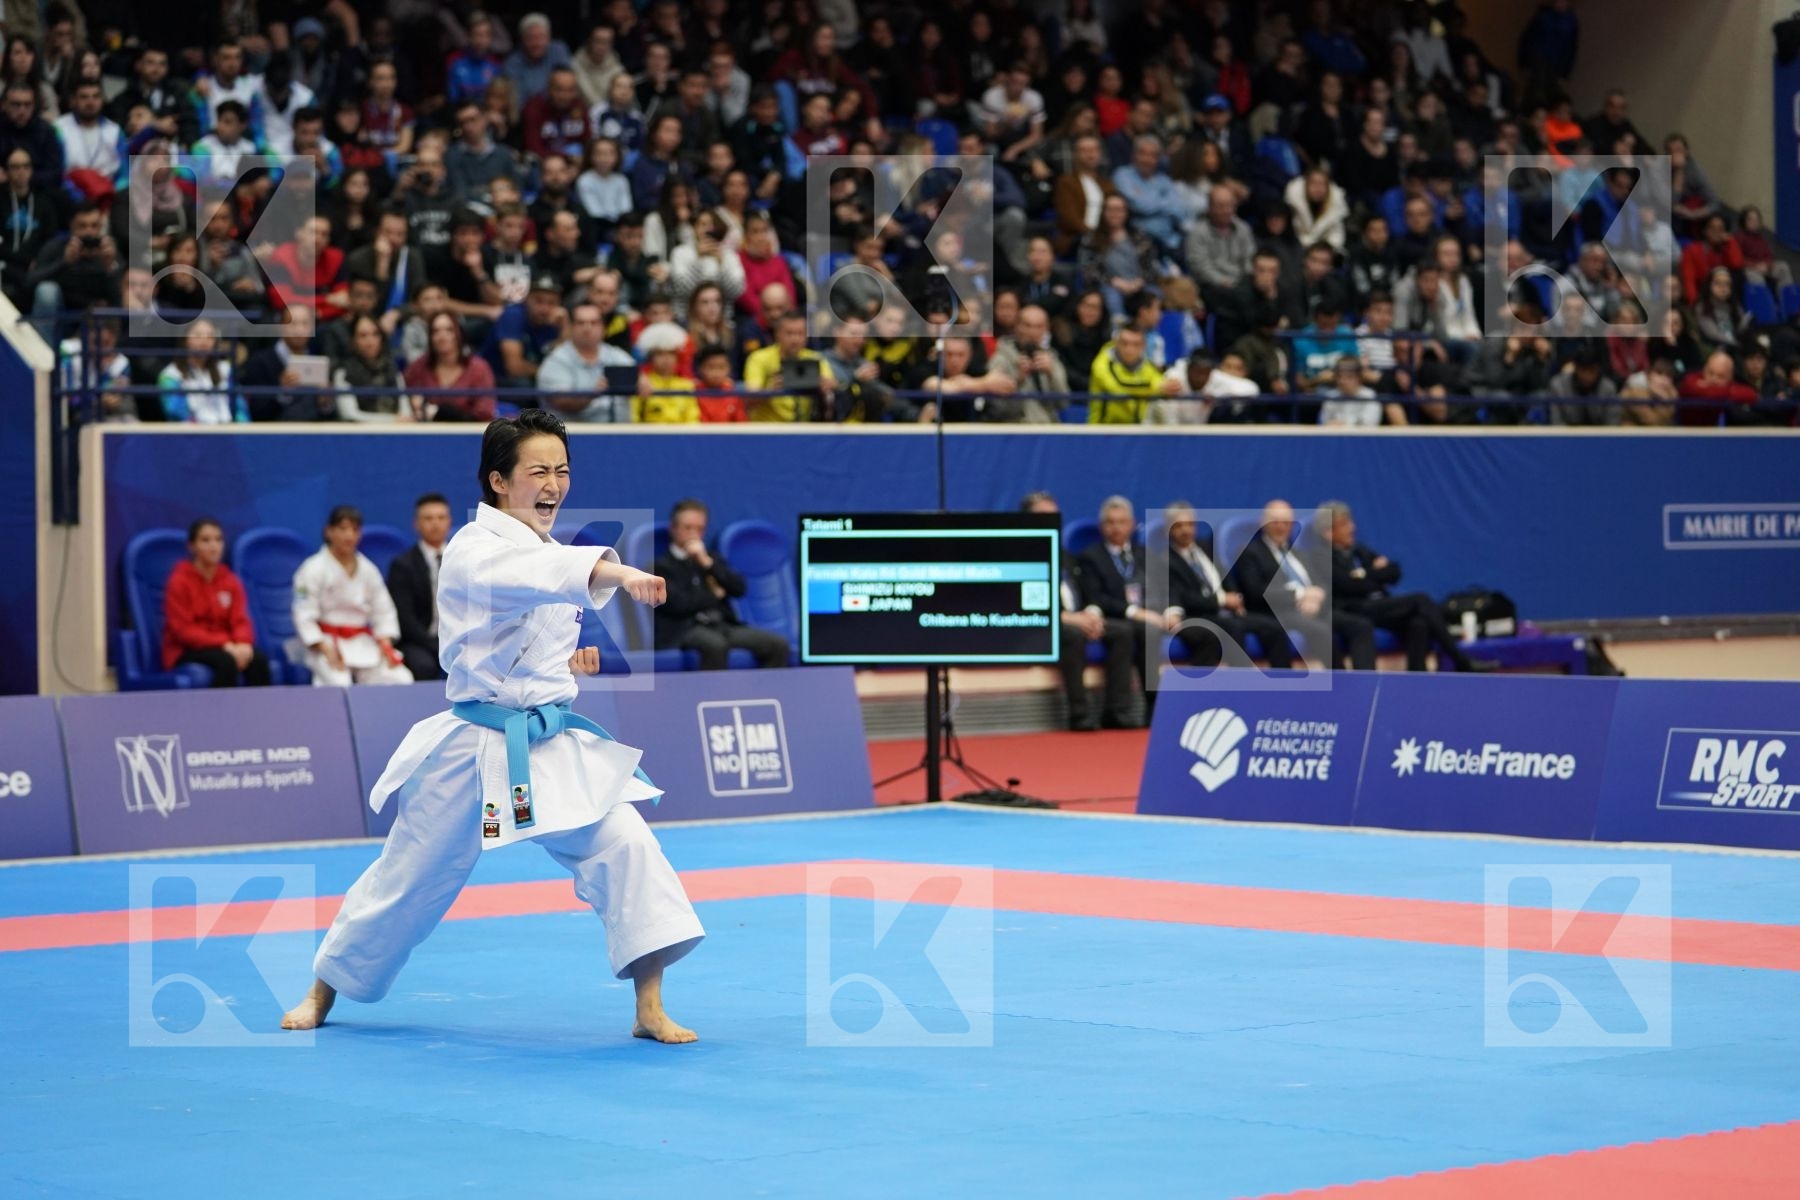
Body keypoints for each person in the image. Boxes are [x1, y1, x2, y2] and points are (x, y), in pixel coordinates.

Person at [282, 411, 704, 1042]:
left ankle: (649, 1008)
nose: (554, 483)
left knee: (628, 846)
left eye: (562, 471)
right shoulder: (471, 551)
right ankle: (322, 991)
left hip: (550, 741)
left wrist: (569, 664)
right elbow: (524, 583)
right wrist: (619, 572)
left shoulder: (555, 553)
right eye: (539, 471)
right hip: (474, 745)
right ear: (499, 481)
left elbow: (530, 643)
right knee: (407, 880)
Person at [1317, 501, 1497, 673]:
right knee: (1420, 600)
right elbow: (1348, 586)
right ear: (1329, 532)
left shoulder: (1358, 550)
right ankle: (1460, 660)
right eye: (1345, 524)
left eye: (1351, 521)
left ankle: (1416, 679)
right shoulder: (1322, 555)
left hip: (1379, 604)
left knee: (1418, 623)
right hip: (1355, 609)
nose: (1352, 528)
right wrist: (1373, 575)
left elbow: (1394, 572)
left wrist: (1365, 575)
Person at [1022, 491, 1132, 732]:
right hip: (1042, 624)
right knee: (1072, 634)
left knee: (1122, 631)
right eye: (1043, 516)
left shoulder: (1066, 556)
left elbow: (1088, 593)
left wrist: (1091, 614)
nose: (1051, 521)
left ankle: (1117, 712)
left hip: (1077, 618)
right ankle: (1079, 715)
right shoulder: (1021, 558)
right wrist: (1071, 618)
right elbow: (1026, 605)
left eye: (1054, 516)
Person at [1150, 502, 1297, 670]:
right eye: (1179, 526)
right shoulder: (1164, 560)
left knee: (1273, 628)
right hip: (1201, 614)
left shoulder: (1205, 549)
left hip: (1228, 612)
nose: (1185, 530)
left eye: (1190, 524)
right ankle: (1242, 682)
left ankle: (1284, 683)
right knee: (1234, 627)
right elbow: (1184, 598)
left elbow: (1226, 578)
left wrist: (1236, 597)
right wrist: (1221, 600)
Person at [1233, 499, 1375, 671]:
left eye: (1286, 522)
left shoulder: (1298, 553)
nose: (1281, 527)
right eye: (1275, 522)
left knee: (1360, 625)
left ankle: (1366, 681)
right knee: (1321, 631)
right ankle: (1341, 684)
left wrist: (1318, 595)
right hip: (1281, 612)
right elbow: (1255, 591)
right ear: (1263, 523)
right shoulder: (1250, 552)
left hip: (1315, 608)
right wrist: (1300, 595)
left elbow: (1322, 583)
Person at [652, 499, 789, 669]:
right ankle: (711, 695)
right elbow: (680, 604)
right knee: (715, 645)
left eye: (700, 529)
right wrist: (714, 595)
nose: (694, 534)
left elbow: (739, 588)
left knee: (777, 645)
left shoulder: (711, 560)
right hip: (684, 630)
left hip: (722, 626)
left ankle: (769, 693)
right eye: (688, 528)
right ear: (673, 529)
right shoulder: (662, 566)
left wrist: (708, 565)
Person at [291, 504, 415, 687]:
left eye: (354, 530)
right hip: (326, 643)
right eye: (342, 529)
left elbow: (383, 610)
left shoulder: (368, 569)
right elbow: (303, 615)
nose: (349, 535)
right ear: (329, 531)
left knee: (401, 678)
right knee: (338, 682)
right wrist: (323, 647)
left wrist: (385, 643)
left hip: (362, 642)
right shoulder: (312, 569)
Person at [1075, 496, 1162, 728]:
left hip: (1147, 617)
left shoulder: (1143, 554)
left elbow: (1163, 587)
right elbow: (1096, 598)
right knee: (1130, 631)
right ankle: (1118, 711)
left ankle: (1156, 709)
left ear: (1132, 524)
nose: (1116, 527)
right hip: (1112, 616)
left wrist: (1171, 610)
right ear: (1102, 526)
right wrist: (1135, 611)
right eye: (1111, 522)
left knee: (1150, 630)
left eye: (1122, 522)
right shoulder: (1090, 557)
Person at [162, 517, 272, 687]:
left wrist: (242, 644)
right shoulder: (179, 581)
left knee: (258, 660)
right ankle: (219, 713)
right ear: (192, 546)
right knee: (226, 662)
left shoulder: (230, 580)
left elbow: (241, 619)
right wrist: (224, 644)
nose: (214, 547)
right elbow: (183, 630)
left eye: (218, 540)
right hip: (187, 650)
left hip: (228, 646)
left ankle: (261, 713)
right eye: (206, 540)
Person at [386, 494, 454, 682]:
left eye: (441, 518)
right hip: (419, 641)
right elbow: (405, 619)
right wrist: (436, 645)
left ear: (449, 521)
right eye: (428, 518)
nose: (435, 524)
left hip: (458, 638)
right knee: (424, 665)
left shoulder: (462, 560)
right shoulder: (402, 565)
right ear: (416, 524)